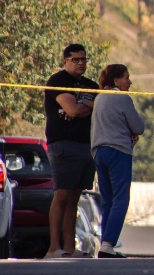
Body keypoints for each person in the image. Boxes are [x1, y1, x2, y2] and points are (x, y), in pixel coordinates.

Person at [43, 44, 99, 259]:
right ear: (65, 61)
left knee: (75, 197)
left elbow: (97, 106)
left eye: (84, 59)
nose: (81, 63)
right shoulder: (58, 81)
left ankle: (69, 247)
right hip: (63, 143)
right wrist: (84, 106)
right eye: (76, 59)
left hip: (87, 144)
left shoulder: (91, 85)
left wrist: (81, 103)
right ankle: (53, 247)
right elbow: (72, 110)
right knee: (62, 194)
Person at [90, 64, 144, 259]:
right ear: (116, 81)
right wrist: (132, 133)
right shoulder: (122, 98)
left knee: (107, 200)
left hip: (98, 151)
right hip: (118, 150)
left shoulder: (99, 98)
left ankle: (105, 243)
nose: (129, 82)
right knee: (121, 198)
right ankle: (108, 243)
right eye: (126, 78)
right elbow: (138, 126)